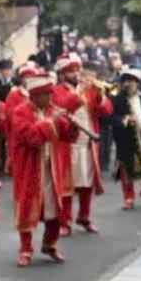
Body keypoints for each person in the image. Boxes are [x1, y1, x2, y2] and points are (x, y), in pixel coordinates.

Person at [10, 67, 79, 267]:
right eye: (46, 95)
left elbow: (67, 136)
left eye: (50, 94)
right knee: (27, 207)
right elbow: (32, 137)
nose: (50, 98)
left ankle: (50, 244)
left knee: (54, 208)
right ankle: (25, 249)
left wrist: (72, 125)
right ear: (35, 95)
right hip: (29, 168)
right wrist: (51, 122)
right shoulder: (20, 112)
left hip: (53, 167)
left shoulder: (52, 110)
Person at [53, 56, 112, 234]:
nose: (77, 74)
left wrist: (101, 96)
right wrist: (79, 93)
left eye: (78, 70)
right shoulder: (57, 91)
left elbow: (107, 111)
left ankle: (84, 217)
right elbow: (63, 108)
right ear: (63, 74)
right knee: (68, 184)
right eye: (72, 71)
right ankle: (65, 222)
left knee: (86, 182)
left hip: (87, 143)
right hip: (67, 143)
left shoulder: (90, 89)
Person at [111, 68, 141, 210]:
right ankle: (128, 197)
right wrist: (125, 120)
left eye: (130, 81)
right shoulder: (118, 99)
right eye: (125, 81)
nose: (127, 84)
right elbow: (111, 118)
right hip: (126, 138)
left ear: (137, 83)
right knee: (126, 169)